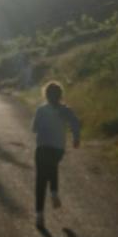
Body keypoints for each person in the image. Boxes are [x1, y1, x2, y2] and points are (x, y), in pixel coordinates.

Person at [31, 80, 81, 228]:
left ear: (45, 95)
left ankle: (39, 215)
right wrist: (76, 138)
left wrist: (43, 125)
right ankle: (54, 191)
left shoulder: (41, 110)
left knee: (40, 179)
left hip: (42, 147)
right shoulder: (65, 110)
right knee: (52, 166)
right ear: (60, 95)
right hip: (58, 148)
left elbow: (34, 128)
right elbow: (75, 123)